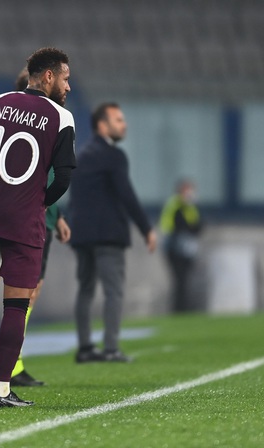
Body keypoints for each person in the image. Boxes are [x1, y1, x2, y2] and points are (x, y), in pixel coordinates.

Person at [0, 47, 75, 407]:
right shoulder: (61, 118)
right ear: (48, 76)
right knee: (16, 307)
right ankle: (2, 389)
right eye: (65, 78)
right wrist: (39, 202)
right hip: (24, 224)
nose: (68, 86)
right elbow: (64, 177)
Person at [69, 102, 157, 363]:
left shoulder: (82, 154)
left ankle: (85, 348)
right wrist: (146, 228)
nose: (124, 124)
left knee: (85, 289)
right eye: (118, 120)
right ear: (102, 125)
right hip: (108, 235)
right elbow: (126, 194)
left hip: (82, 235)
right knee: (114, 291)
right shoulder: (114, 156)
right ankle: (110, 348)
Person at [159, 179, 202, 312]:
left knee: (185, 280)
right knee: (180, 280)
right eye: (186, 190)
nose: (190, 194)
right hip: (174, 248)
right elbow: (180, 225)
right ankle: (179, 309)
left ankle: (184, 308)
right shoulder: (175, 204)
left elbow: (197, 227)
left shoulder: (190, 207)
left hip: (186, 249)